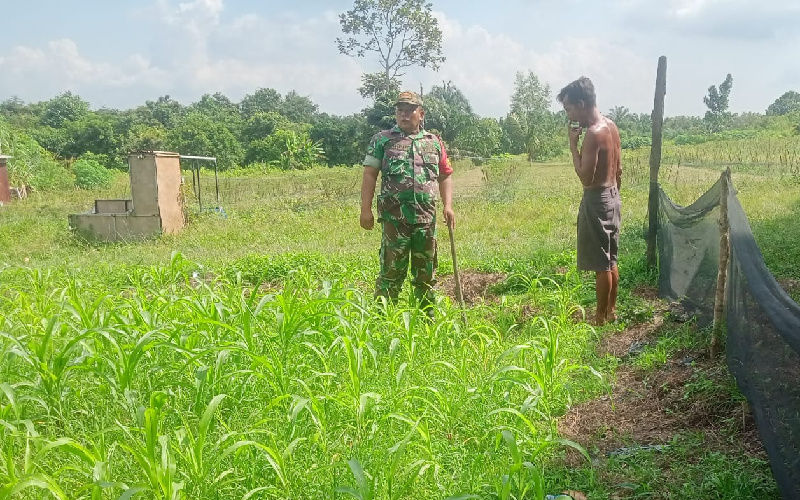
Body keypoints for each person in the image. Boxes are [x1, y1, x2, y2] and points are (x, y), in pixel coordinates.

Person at [360, 91, 455, 319]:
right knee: (391, 272)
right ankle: (383, 322)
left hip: (426, 220)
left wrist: (448, 206)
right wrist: (365, 210)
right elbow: (370, 174)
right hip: (394, 220)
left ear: (420, 114)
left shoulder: (434, 142)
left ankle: (426, 321)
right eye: (400, 110)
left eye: (410, 110)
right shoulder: (382, 140)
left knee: (426, 274)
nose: (404, 114)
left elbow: (445, 175)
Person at [557, 77, 622, 326]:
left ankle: (600, 318)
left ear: (582, 104)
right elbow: (619, 169)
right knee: (611, 258)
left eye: (570, 109)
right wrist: (615, 195)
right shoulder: (611, 126)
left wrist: (573, 146)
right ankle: (611, 311)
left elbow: (585, 176)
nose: (570, 116)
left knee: (601, 263)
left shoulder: (594, 134)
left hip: (597, 199)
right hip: (613, 195)